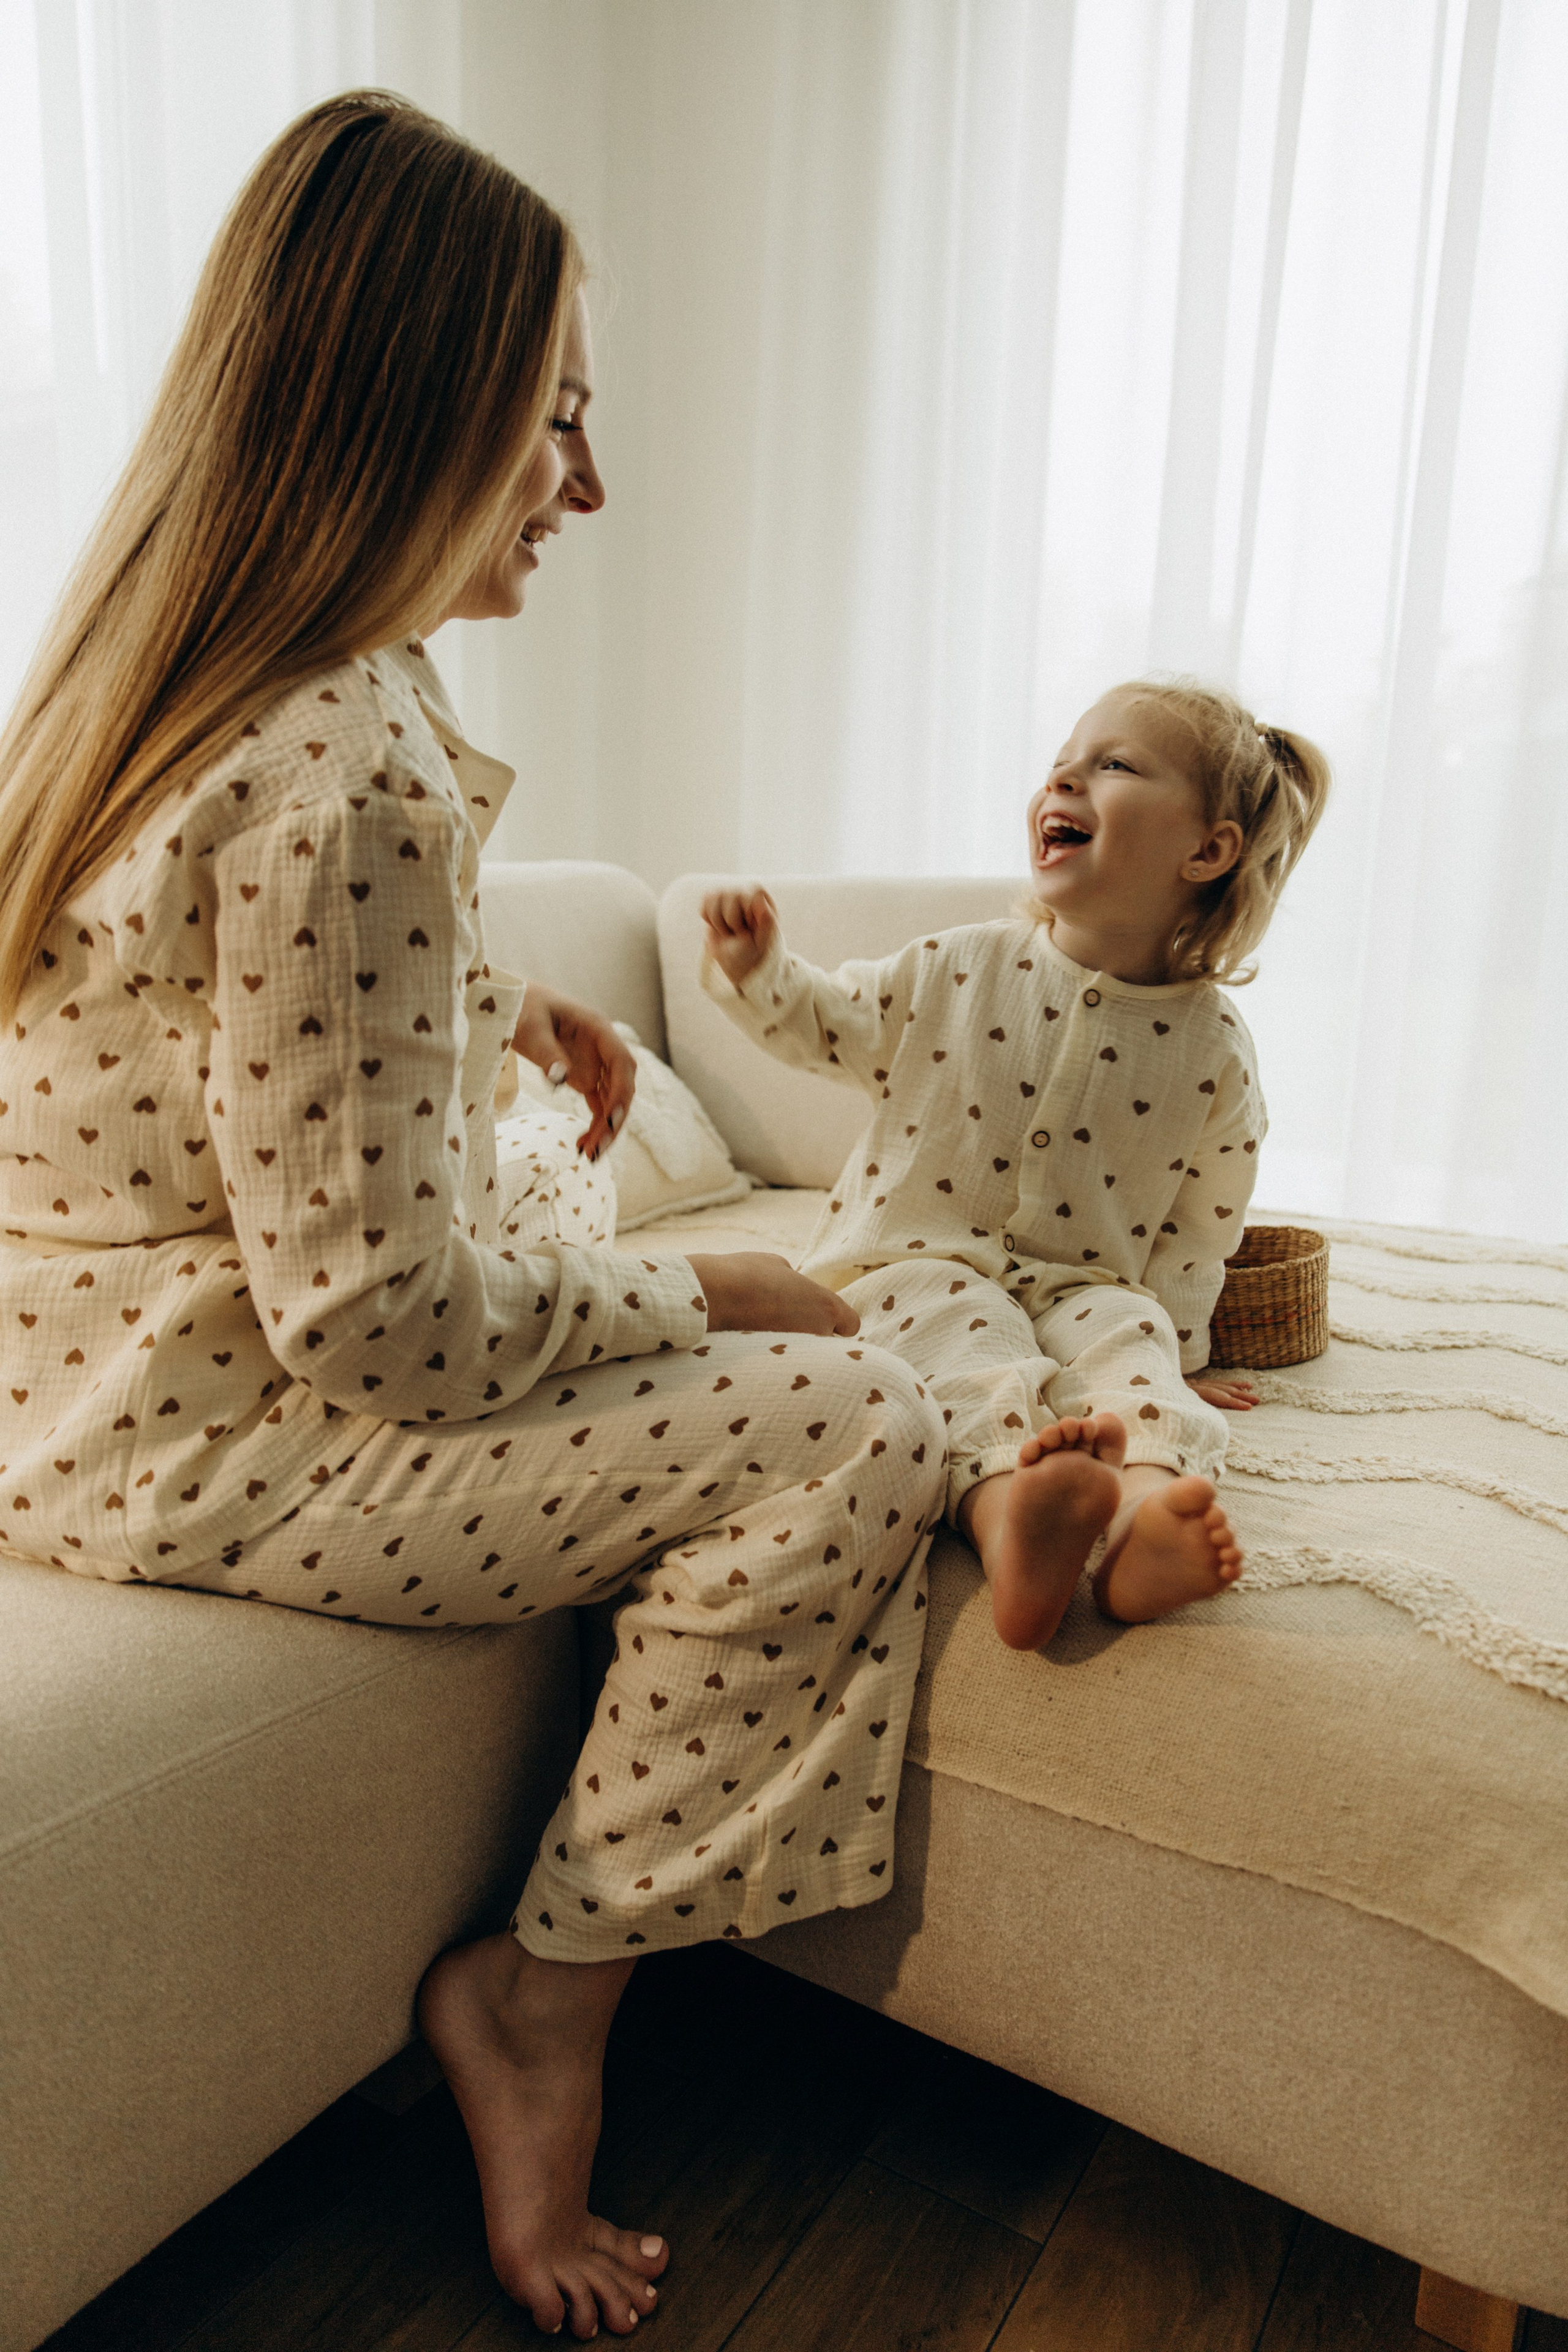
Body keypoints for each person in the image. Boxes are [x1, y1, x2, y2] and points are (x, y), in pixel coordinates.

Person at [0, 94, 946, 2341]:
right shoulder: (352, 762)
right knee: (862, 1417)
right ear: (413, 415)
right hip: (195, 1435)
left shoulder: (164, 685)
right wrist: (711, 1282)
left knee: (653, 1253)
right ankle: (543, 2007)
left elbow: (182, 1018)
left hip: (54, 1389)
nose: (588, 489)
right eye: (558, 423)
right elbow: (391, 1337)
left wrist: (488, 1002)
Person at [701, 680, 1330, 1649]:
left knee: (1129, 1336)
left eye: (1115, 764)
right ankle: (1012, 1524)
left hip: (1082, 1280)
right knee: (964, 1339)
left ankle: (1142, 1518)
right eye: (1061, 762)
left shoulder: (1212, 1046)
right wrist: (761, 972)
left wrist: (1180, 1346)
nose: (1065, 777)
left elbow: (1204, 1223)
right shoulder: (961, 965)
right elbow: (832, 1023)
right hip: (909, 1262)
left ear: (1206, 852)